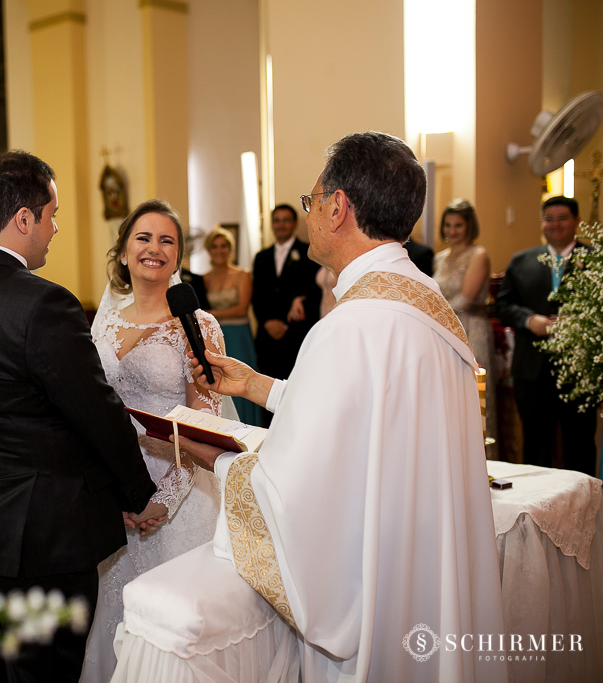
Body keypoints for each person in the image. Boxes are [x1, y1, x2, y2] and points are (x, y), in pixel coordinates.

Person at [112, 132, 506, 683]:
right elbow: (358, 413)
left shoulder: (348, 326)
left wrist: (215, 459)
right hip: (424, 565)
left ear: (338, 207)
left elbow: (295, 492)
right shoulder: (427, 307)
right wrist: (256, 386)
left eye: (312, 200)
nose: (311, 212)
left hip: (377, 593)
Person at [0, 151, 157, 683]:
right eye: (51, 215)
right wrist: (137, 494)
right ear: (23, 219)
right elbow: (95, 412)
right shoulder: (43, 304)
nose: (55, 229)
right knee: (45, 672)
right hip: (48, 532)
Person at [80, 200, 225, 682]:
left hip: (178, 489)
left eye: (167, 241)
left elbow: (204, 425)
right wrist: (116, 490)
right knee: (115, 611)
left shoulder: (197, 326)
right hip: (116, 488)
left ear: (178, 256)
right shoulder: (104, 322)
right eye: (143, 238)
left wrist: (160, 500)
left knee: (170, 627)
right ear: (123, 251)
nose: (154, 249)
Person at [496, 196, 597, 475]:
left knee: (580, 447)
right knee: (536, 447)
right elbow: (502, 306)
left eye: (562, 218)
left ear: (576, 221)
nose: (555, 225)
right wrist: (530, 320)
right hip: (532, 370)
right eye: (549, 219)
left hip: (579, 371)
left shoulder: (595, 261)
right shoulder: (522, 260)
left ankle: (586, 514)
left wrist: (579, 322)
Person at [433, 199, 496, 454]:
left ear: (469, 226)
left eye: (458, 225)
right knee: (448, 396)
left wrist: (431, 315)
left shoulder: (478, 254)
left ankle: (484, 460)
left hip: (471, 329)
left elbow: (465, 299)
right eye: (447, 225)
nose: (452, 231)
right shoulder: (439, 258)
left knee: (475, 397)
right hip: (442, 329)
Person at [251, 203, 320, 425]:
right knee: (265, 393)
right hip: (268, 339)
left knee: (294, 393)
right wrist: (267, 321)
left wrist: (289, 319)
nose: (281, 225)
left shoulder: (310, 253)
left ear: (295, 224)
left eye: (286, 220)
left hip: (295, 337)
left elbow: (316, 292)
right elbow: (257, 295)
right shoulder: (261, 257)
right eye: (277, 220)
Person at [202, 226, 262, 426]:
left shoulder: (242, 275)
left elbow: (241, 309)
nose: (220, 250)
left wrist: (208, 314)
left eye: (224, 246)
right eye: (215, 246)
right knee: (219, 381)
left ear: (231, 249)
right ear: (209, 250)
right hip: (214, 335)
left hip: (237, 334)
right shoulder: (204, 279)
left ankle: (248, 426)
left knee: (240, 380)